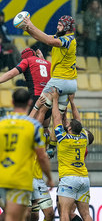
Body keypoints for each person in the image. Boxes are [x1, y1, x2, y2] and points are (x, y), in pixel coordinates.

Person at [0, 88, 54, 221]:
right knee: (16, 217)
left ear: (12, 102)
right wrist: (49, 177)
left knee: (15, 215)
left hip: (3, 177)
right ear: (29, 102)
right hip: (21, 177)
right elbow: (41, 156)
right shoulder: (32, 126)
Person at [22, 15, 77, 125]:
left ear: (66, 27)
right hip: (70, 83)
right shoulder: (63, 38)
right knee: (59, 116)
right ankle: (53, 142)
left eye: (60, 25)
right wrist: (28, 29)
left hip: (59, 80)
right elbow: (42, 37)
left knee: (41, 109)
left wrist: (31, 24)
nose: (57, 27)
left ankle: (35, 134)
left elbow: (48, 41)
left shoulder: (68, 40)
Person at [50, 88, 93, 221]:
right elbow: (77, 120)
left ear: (69, 129)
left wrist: (55, 99)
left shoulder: (63, 139)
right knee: (86, 215)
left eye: (68, 125)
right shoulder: (84, 137)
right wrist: (72, 102)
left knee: (64, 213)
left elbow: (56, 118)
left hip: (68, 178)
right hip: (84, 179)